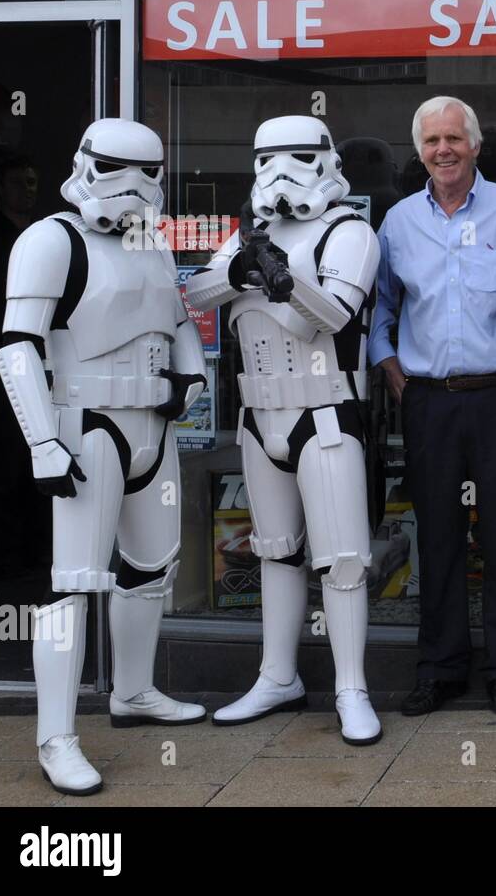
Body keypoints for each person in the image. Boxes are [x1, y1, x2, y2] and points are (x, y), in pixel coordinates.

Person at [0, 119, 208, 794]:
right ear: (87, 164)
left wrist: (191, 378)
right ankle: (56, 735)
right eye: (121, 169)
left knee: (151, 567)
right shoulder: (50, 239)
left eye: (150, 172)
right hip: (86, 425)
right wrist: (42, 441)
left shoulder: (155, 246)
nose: (138, 186)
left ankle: (135, 690)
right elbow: (17, 344)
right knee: (74, 581)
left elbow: (178, 321)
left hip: (153, 427)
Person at [186, 115, 382, 746]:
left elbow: (334, 314)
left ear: (324, 159)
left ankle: (351, 686)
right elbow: (196, 291)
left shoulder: (349, 230)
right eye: (267, 158)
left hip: (325, 411)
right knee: (275, 552)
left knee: (343, 558)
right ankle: (277, 676)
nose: (281, 171)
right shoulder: (251, 234)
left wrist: (280, 279)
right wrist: (244, 268)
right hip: (257, 416)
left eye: (296, 156)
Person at [368, 97, 496, 716]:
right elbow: (382, 304)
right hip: (430, 402)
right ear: (420, 151)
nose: (444, 150)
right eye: (433, 140)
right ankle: (439, 668)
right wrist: (387, 360)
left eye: (454, 139)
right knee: (437, 538)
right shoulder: (397, 223)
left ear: (474, 146)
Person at [0, 153, 47, 578]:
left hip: (43, 357)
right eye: (20, 182)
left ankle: (39, 549)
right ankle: (1, 555)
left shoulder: (46, 237)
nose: (28, 189)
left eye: (33, 181)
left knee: (41, 451)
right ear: (0, 187)